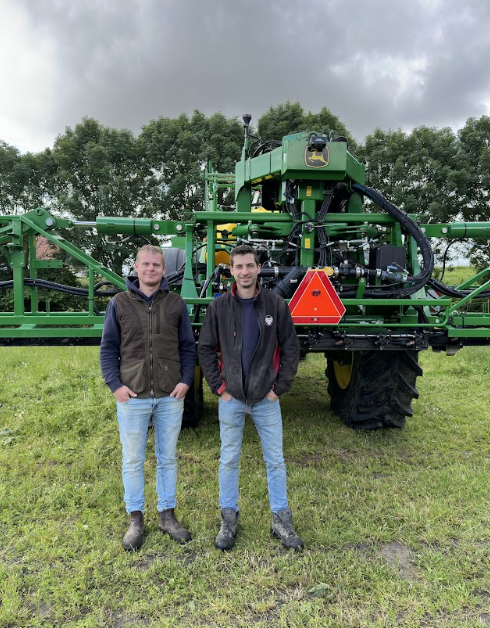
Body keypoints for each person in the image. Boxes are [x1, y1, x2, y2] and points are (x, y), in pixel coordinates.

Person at [198, 244, 303, 550]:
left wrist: (278, 388)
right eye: (238, 267)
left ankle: (281, 521)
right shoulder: (218, 308)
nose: (244, 272)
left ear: (259, 269)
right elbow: (205, 348)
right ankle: (228, 522)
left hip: (265, 399)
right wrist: (220, 388)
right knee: (228, 460)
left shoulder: (275, 305)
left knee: (275, 460)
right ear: (230, 270)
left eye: (249, 266)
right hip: (231, 400)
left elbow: (291, 348)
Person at [100, 245, 196, 551]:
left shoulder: (176, 304)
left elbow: (188, 347)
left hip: (170, 395)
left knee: (167, 458)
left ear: (164, 270)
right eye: (146, 264)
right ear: (136, 267)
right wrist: (115, 385)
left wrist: (185, 381)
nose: (151, 269)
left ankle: (167, 515)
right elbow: (108, 349)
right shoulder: (119, 303)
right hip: (132, 396)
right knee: (133, 460)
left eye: (157, 264)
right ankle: (136, 519)